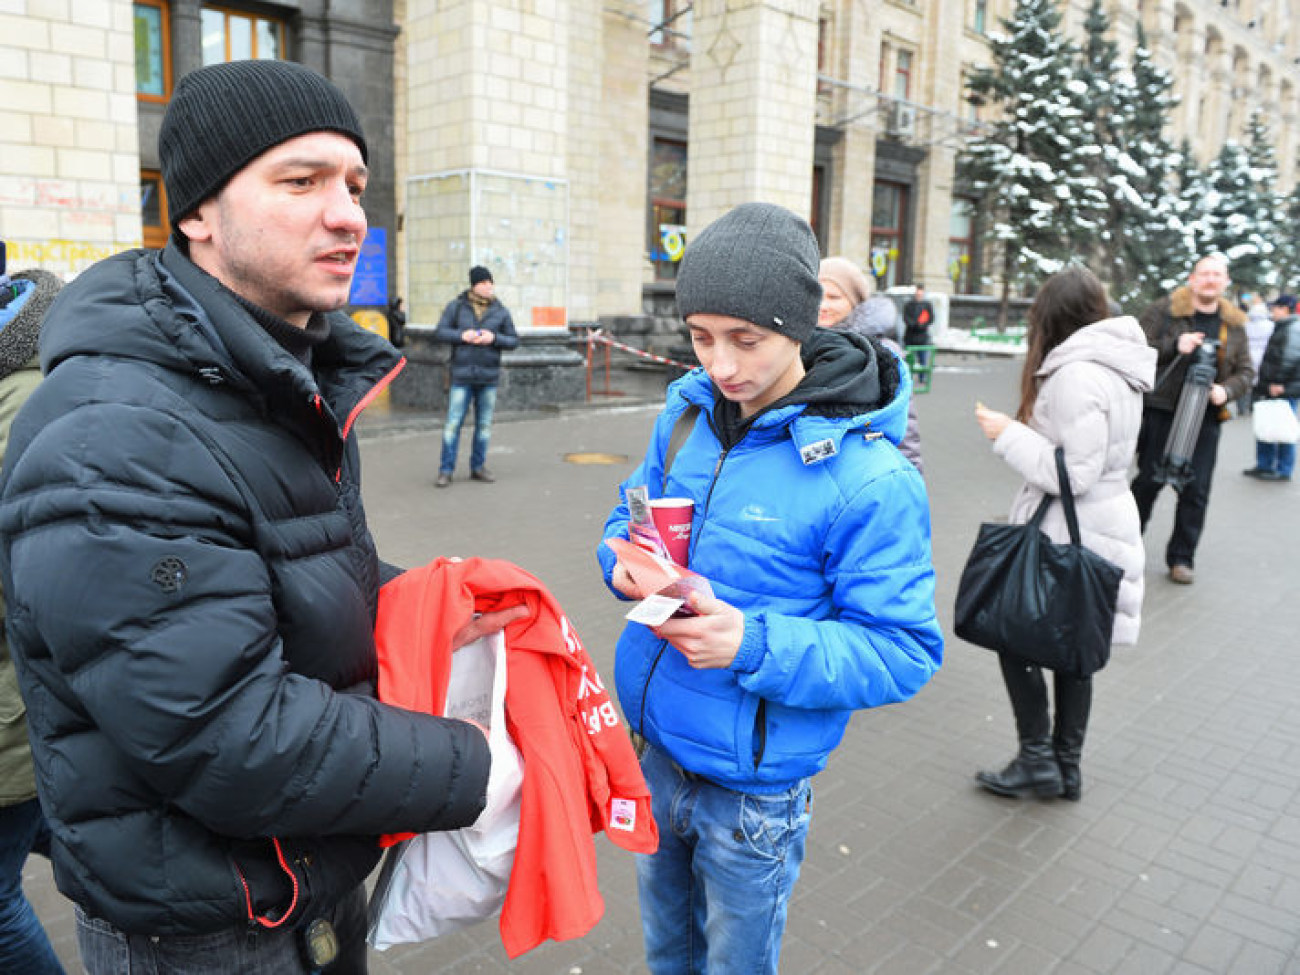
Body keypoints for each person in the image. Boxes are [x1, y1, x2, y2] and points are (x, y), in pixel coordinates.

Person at [0, 60, 511, 975]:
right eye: (300, 180)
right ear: (197, 212)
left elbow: (276, 580)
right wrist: (478, 762)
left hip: (302, 878)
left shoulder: (282, 378)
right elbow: (228, 734)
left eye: (355, 184)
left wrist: (438, 604)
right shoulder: (114, 430)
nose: (348, 212)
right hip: (205, 930)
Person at [597, 202, 943, 975]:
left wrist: (749, 641)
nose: (720, 365)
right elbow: (630, 511)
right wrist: (617, 560)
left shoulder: (872, 478)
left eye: (745, 339)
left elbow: (904, 650)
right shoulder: (686, 417)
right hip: (654, 753)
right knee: (666, 953)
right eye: (700, 336)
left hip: (752, 792)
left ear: (801, 321)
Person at [972, 265, 1155, 802]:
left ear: (1050, 316)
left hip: (1072, 526)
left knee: (1017, 636)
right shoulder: (1115, 365)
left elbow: (1073, 474)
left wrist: (1007, 434)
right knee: (1074, 648)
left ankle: (1037, 760)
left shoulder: (1076, 373)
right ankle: (1065, 768)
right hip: (1104, 521)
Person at [0, 265, 65, 975]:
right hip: (24, 697)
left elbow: (30, 564)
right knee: (69, 828)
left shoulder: (19, 398)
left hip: (15, 691)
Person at [1129, 254, 1253, 585]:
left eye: (1217, 274)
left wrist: (1225, 392)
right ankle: (1125, 548)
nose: (1211, 280)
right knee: (1147, 483)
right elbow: (1135, 349)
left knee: (1196, 491)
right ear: (1192, 278)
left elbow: (1246, 372)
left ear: (1226, 282)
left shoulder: (1233, 324)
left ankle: (1181, 559)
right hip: (1163, 411)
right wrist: (1174, 345)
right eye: (1205, 274)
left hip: (1206, 418)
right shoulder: (1165, 311)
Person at [817, 256, 925, 474]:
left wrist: (911, 475)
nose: (823, 305)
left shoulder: (882, 352)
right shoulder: (793, 344)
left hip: (863, 474)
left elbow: (904, 427)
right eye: (817, 295)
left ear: (854, 302)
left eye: (834, 297)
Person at [433, 265, 519, 487]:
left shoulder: (500, 310)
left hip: (488, 377)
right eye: (484, 283)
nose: (489, 286)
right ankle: (446, 470)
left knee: (484, 425)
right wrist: (462, 335)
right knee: (453, 424)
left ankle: (478, 467)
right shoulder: (457, 307)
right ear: (474, 285)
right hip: (461, 375)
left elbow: (514, 340)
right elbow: (440, 332)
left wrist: (494, 338)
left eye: (490, 282)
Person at [1243, 294, 1300, 481]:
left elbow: (1289, 358)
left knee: (1284, 429)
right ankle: (1264, 465)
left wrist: (1279, 383)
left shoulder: (1293, 328)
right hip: (1273, 386)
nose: (1272, 311)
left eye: (1275, 308)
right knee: (1267, 425)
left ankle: (1283, 469)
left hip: (1282, 388)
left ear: (1285, 309)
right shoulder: (1284, 326)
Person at [1240, 295, 1273, 415]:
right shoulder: (1270, 325)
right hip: (1263, 355)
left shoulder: (1246, 324)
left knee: (1245, 380)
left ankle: (1242, 406)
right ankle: (1254, 405)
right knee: (1258, 383)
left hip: (1248, 354)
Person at [902, 283, 936, 367]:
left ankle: (922, 377)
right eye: (917, 293)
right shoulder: (909, 305)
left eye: (920, 293)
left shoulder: (927, 305)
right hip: (910, 336)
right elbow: (906, 318)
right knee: (909, 359)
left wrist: (922, 325)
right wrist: (914, 324)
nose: (918, 295)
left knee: (922, 359)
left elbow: (931, 318)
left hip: (922, 336)